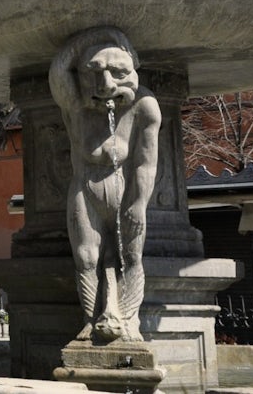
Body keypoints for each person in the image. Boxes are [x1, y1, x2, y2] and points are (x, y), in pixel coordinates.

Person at [50, 26, 160, 343]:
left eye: (118, 72)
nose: (105, 84)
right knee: (85, 258)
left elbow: (145, 162)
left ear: (133, 69)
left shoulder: (144, 107)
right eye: (94, 73)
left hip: (126, 192)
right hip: (86, 190)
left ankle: (128, 320)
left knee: (132, 255)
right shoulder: (75, 105)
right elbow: (58, 70)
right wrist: (97, 36)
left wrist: (138, 204)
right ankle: (89, 321)